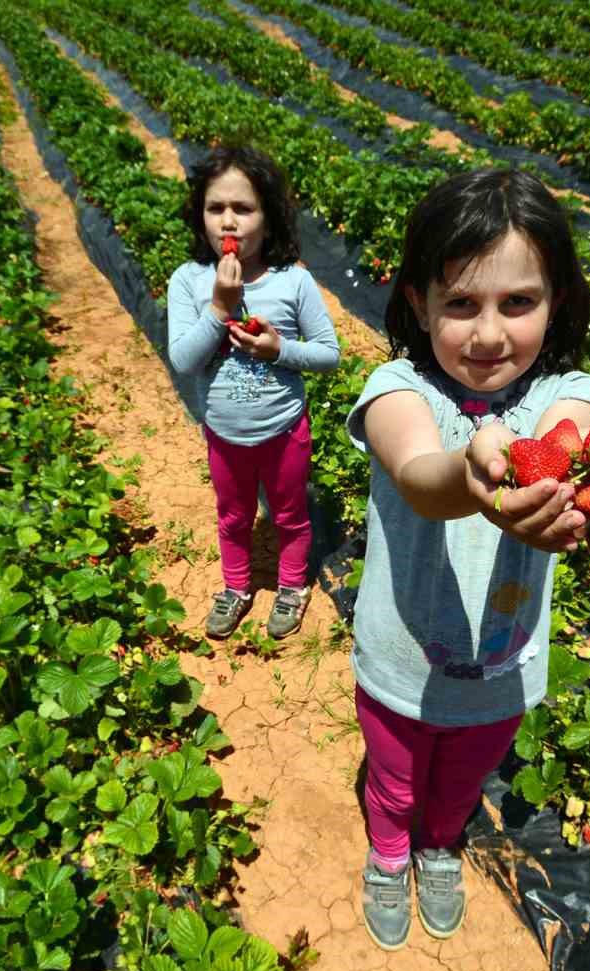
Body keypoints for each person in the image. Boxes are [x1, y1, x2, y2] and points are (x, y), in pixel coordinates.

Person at [346, 169, 590, 949]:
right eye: (461, 304)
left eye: (517, 303)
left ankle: (438, 846)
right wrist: (472, 471)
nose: (489, 333)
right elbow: (422, 478)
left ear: (555, 301)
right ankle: (390, 852)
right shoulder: (398, 391)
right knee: (393, 779)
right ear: (418, 302)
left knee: (461, 779)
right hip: (400, 660)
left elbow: (583, 438)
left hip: (505, 666)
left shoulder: (564, 395)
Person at [168, 146, 340, 641]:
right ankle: (237, 587)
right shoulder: (189, 281)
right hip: (223, 433)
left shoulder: (294, 282)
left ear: (269, 219)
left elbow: (329, 354)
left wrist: (278, 349)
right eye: (215, 208)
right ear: (199, 215)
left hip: (284, 430)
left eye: (243, 209)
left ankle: (291, 585)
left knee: (289, 514)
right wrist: (219, 309)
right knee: (233, 515)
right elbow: (183, 360)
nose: (228, 222)